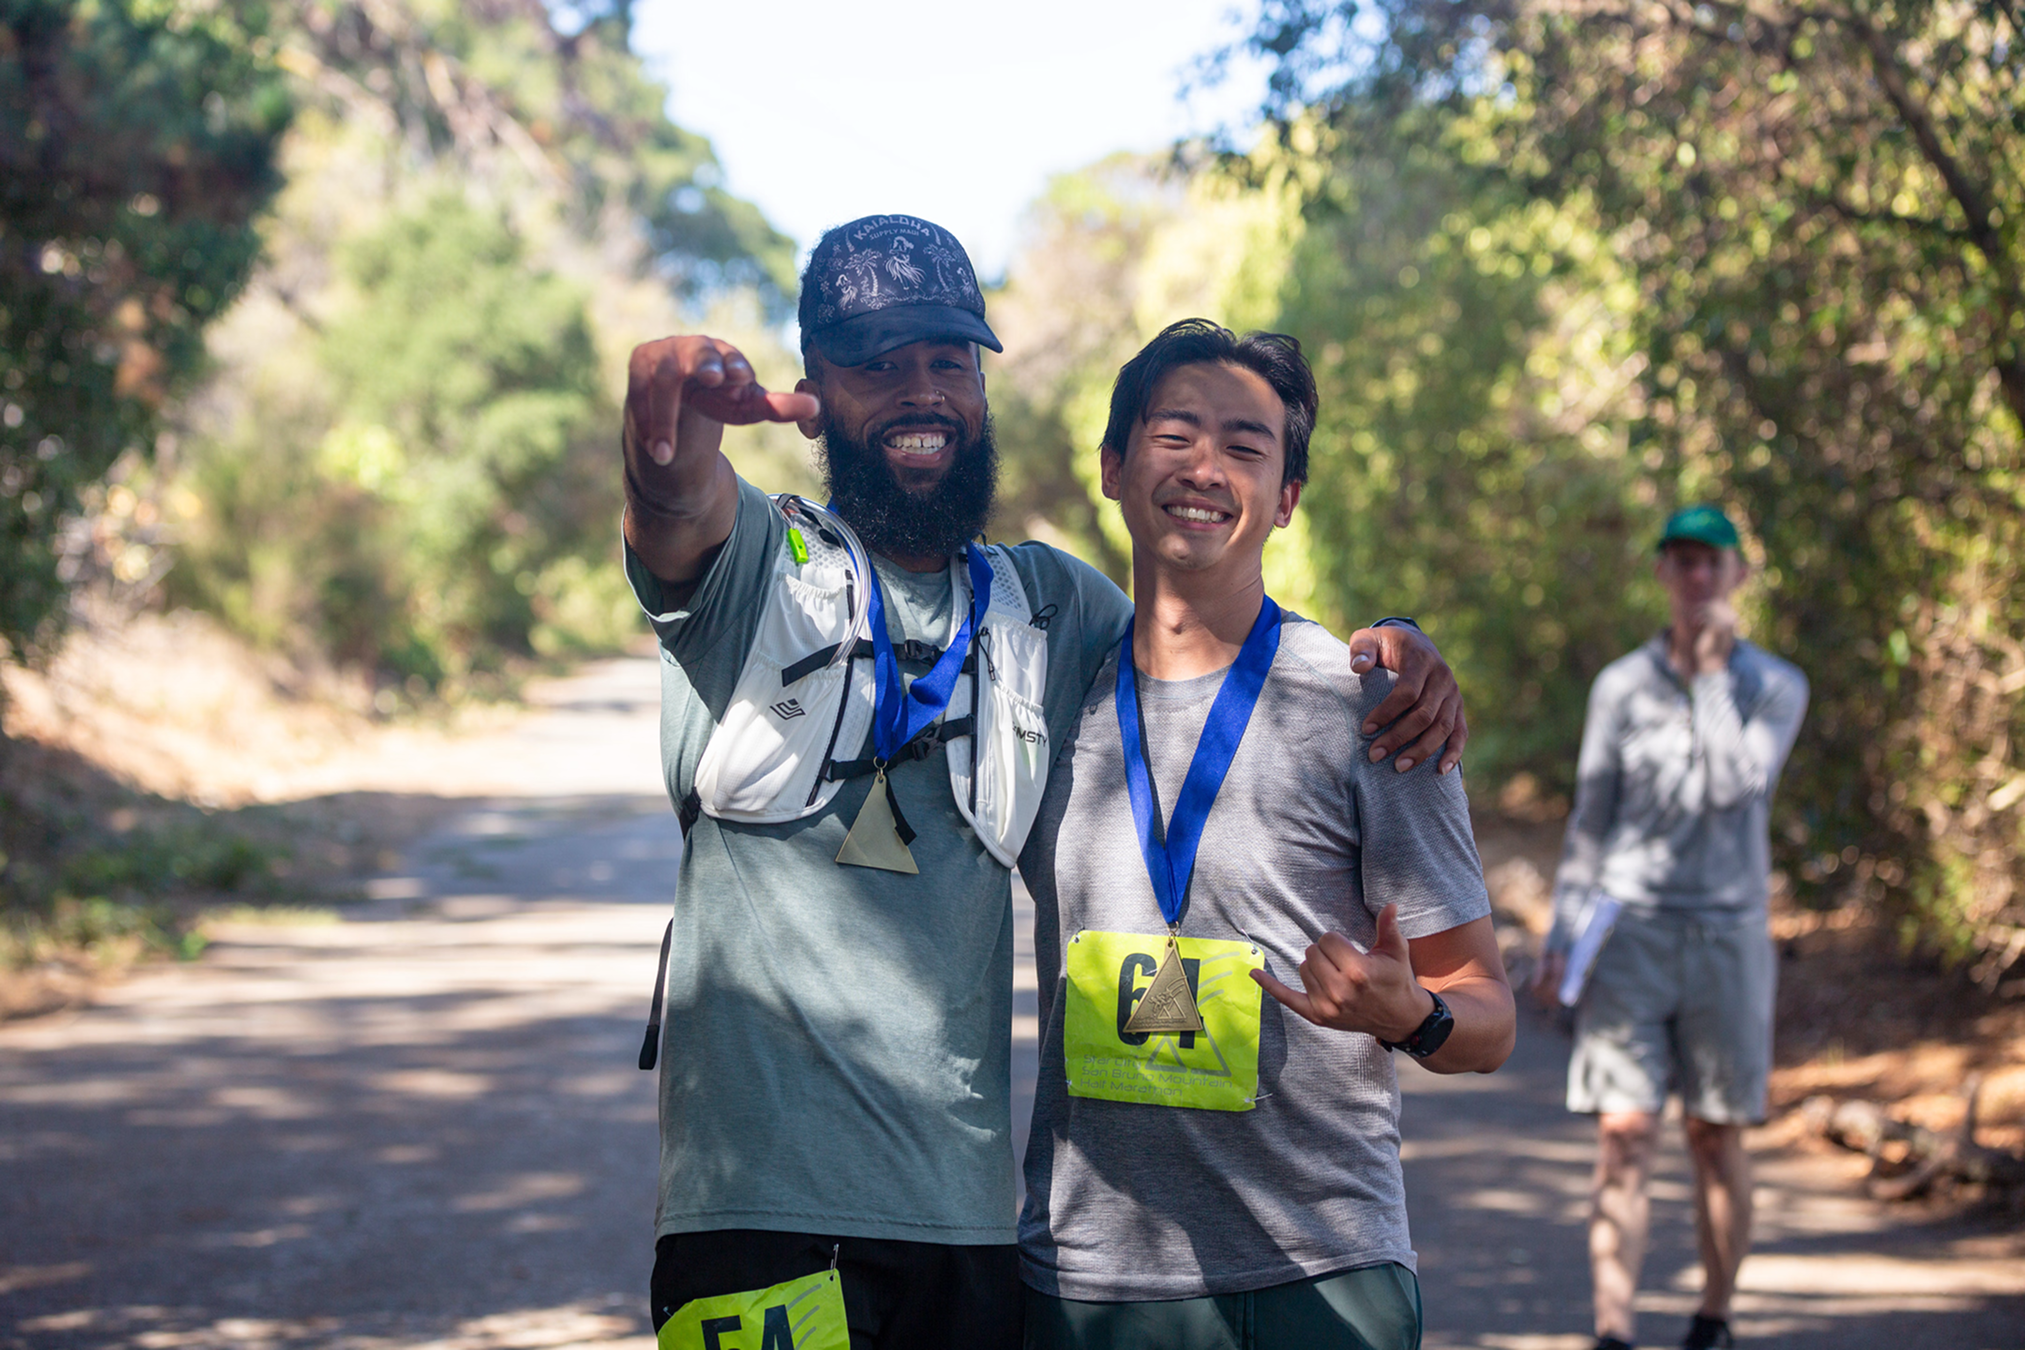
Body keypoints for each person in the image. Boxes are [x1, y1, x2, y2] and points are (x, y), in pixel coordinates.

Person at [620, 216, 1469, 1348]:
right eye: (877, 365)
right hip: (758, 1216)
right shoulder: (756, 574)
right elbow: (676, 508)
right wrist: (661, 424)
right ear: (812, 389)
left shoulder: (1050, 607)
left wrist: (1400, 647)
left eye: (948, 362)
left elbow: (1216, 636)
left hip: (976, 1243)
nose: (921, 391)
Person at [1016, 318, 1516, 1349]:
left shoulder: (1368, 707)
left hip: (1317, 1277)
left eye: (1245, 447)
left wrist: (1410, 1012)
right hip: (1086, 1279)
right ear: (1113, 465)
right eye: (1175, 434)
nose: (1206, 468)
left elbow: (1491, 1015)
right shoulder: (1042, 693)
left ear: (1285, 497)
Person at [1532, 505, 1808, 1350]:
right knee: (1623, 1133)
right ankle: (1612, 1333)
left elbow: (1735, 788)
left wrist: (1711, 677)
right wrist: (1560, 936)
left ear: (1736, 576)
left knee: (1713, 1133)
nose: (1695, 577)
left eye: (1710, 563)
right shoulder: (1619, 685)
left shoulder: (1775, 686)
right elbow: (1592, 818)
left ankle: (1712, 1319)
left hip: (1727, 936)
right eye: (1681, 561)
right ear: (1661, 573)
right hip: (1630, 932)